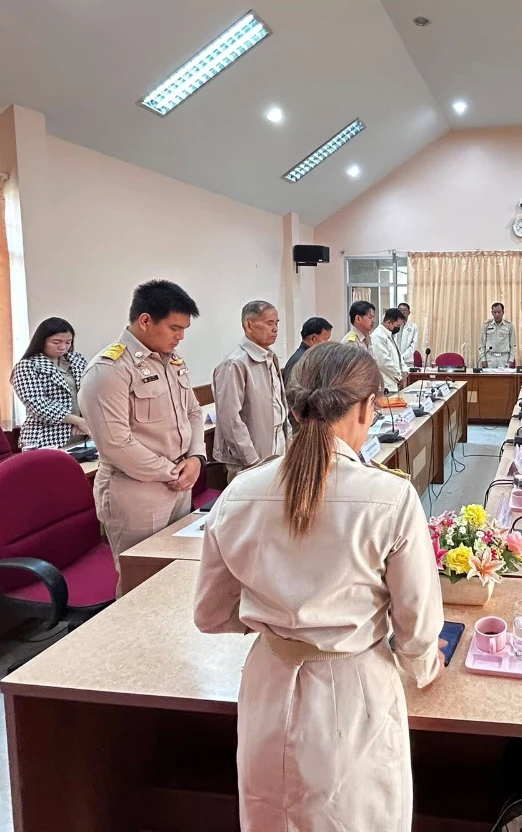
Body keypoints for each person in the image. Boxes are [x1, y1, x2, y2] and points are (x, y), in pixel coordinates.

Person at [194, 342, 445, 831]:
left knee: (271, 814)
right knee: (355, 817)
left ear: (293, 407)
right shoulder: (389, 496)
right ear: (367, 407)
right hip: (353, 689)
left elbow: (210, 614)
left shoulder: (240, 492)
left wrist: (280, 620)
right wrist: (426, 668)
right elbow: (416, 630)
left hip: (268, 683)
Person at [79, 280, 205, 572]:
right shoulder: (109, 369)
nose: (181, 337)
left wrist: (197, 457)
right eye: (175, 328)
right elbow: (116, 443)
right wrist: (171, 472)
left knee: (179, 568)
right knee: (142, 577)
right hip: (136, 490)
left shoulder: (171, 361)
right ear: (145, 321)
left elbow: (193, 412)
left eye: (184, 329)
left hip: (179, 480)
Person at [213, 301, 288, 482]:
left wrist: (289, 440)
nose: (275, 329)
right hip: (251, 457)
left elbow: (280, 404)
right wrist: (251, 460)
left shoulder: (270, 357)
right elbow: (230, 419)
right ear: (249, 325)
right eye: (269, 323)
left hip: (277, 446)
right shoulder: (235, 363)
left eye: (276, 323)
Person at [11, 317, 90, 451]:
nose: (63, 347)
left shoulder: (77, 360)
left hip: (80, 434)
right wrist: (77, 420)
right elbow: (37, 403)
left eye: (68, 342)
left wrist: (87, 420)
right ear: (42, 341)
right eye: (56, 342)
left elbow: (90, 391)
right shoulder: (27, 366)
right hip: (46, 437)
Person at [282, 316, 332, 385]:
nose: (328, 343)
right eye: (326, 339)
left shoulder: (311, 357)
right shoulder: (300, 361)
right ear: (313, 339)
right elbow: (291, 389)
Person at [371, 307, 407, 392]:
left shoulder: (391, 335)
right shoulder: (378, 336)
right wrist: (399, 376)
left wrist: (404, 370)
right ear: (388, 322)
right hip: (386, 385)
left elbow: (398, 356)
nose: (398, 328)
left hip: (394, 383)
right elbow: (384, 361)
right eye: (397, 326)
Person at [478, 302, 515, 369]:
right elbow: (482, 344)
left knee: (504, 376)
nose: (497, 314)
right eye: (495, 312)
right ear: (492, 313)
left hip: (504, 358)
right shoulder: (486, 325)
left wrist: (511, 360)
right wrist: (483, 359)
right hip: (490, 358)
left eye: (499, 312)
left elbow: (513, 345)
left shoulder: (509, 325)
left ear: (503, 312)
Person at [395, 302, 419, 370]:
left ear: (409, 313)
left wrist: (403, 356)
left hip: (407, 361)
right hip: (394, 360)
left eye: (405, 310)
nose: (402, 312)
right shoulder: (393, 325)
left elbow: (413, 345)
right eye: (400, 310)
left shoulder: (413, 327)